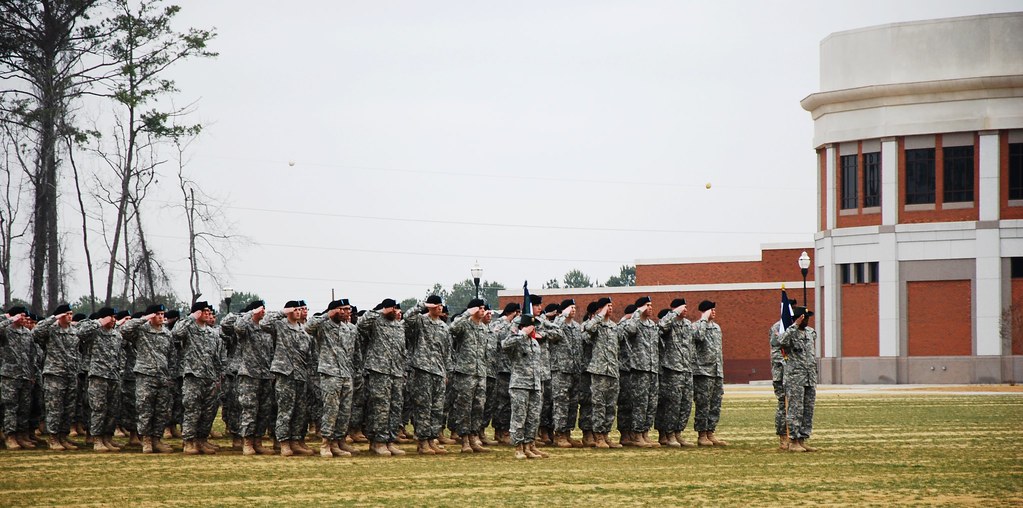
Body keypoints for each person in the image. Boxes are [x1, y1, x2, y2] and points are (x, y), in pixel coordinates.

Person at [305, 299, 359, 457]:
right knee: (331, 410)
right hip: (330, 374)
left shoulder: (349, 328)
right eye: (343, 309)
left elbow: (353, 352)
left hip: (346, 374)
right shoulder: (324, 326)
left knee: (344, 411)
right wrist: (327, 314)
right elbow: (308, 327)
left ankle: (339, 441)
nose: (347, 312)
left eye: (348, 309)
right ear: (335, 310)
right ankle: (326, 444)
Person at [120, 304, 175, 453]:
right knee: (145, 409)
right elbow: (124, 329)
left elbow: (171, 356)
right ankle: (146, 441)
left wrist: (170, 375)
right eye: (157, 314)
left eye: (162, 314)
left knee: (161, 410)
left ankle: (157, 439)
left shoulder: (167, 333)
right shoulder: (142, 330)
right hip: (145, 375)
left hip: (162, 376)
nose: (161, 317)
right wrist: (144, 318)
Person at [225, 300, 276, 456]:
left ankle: (258, 441)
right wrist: (250, 313)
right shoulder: (246, 327)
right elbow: (236, 326)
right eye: (261, 309)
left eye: (264, 309)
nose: (263, 312)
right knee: (249, 409)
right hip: (249, 374)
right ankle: (247, 442)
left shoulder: (266, 329)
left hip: (266, 374)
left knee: (264, 410)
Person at [402, 295, 451, 455]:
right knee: (423, 407)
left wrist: (446, 372)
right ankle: (422, 442)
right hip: (422, 370)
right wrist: (422, 305)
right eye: (436, 305)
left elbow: (446, 352)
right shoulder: (421, 321)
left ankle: (432, 440)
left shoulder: (444, 326)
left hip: (439, 371)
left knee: (437, 408)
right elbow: (407, 317)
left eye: (440, 305)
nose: (439, 307)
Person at [358, 298, 407, 456]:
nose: (395, 311)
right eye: (392, 308)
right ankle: (378, 442)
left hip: (396, 372)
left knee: (395, 407)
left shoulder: (399, 326)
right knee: (380, 408)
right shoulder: (376, 322)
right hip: (380, 371)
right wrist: (380, 311)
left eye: (396, 309)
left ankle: (390, 441)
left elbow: (402, 349)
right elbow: (361, 323)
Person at [264, 300, 314, 456]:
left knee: (300, 411)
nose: (298, 312)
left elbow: (309, 354)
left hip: (301, 374)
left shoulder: (303, 330)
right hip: (285, 373)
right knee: (285, 410)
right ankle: (283, 442)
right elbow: (264, 323)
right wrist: (282, 312)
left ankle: (295, 440)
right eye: (295, 309)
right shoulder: (280, 326)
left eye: (300, 309)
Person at [173, 301, 224, 455]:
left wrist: (218, 377)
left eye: (209, 311)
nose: (208, 314)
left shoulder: (212, 333)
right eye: (204, 311)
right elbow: (176, 333)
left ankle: (201, 440)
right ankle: (188, 442)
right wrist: (191, 317)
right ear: (197, 313)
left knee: (208, 411)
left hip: (209, 377)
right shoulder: (189, 329)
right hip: (193, 376)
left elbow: (216, 357)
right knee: (192, 410)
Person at [32, 303, 81, 451]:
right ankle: (53, 438)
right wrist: (54, 317)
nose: (70, 316)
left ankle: (63, 436)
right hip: (55, 374)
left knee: (68, 408)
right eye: (67, 314)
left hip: (71, 373)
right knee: (55, 408)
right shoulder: (51, 329)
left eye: (71, 314)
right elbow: (36, 331)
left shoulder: (74, 331)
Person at [77, 307, 126, 452]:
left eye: (114, 317)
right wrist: (99, 322)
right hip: (98, 376)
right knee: (98, 409)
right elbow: (80, 332)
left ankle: (107, 438)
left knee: (112, 409)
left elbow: (120, 354)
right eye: (111, 317)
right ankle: (97, 439)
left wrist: (120, 370)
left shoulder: (116, 334)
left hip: (114, 375)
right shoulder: (94, 332)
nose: (114, 320)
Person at [449, 298, 490, 453]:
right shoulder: (464, 324)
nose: (483, 310)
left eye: (483, 308)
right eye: (480, 308)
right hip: (465, 373)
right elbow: (452, 328)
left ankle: (474, 437)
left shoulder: (484, 328)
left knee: (478, 406)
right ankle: (464, 439)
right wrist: (467, 313)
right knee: (464, 407)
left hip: (481, 372)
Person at [502, 314, 547, 459]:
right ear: (524, 327)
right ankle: (518, 447)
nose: (534, 329)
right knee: (519, 417)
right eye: (531, 326)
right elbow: (505, 344)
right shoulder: (516, 339)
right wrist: (522, 333)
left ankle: (529, 445)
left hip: (535, 384)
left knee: (533, 417)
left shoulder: (534, 342)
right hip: (520, 384)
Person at [619, 297, 660, 448]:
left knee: (651, 403)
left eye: (651, 305)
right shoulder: (634, 323)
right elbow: (629, 330)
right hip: (639, 369)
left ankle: (644, 433)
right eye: (647, 305)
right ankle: (636, 435)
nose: (650, 307)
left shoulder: (652, 325)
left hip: (652, 368)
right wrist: (637, 313)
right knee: (640, 403)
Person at [657, 298, 697, 448]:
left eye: (686, 307)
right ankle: (669, 434)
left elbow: (692, 344)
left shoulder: (687, 324)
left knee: (685, 403)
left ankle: (678, 432)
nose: (685, 310)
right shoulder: (669, 322)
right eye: (682, 307)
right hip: (673, 369)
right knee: (673, 403)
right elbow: (661, 327)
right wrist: (673, 313)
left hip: (686, 369)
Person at [778, 306, 819, 453]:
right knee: (795, 409)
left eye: (807, 318)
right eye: (803, 318)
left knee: (808, 410)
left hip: (809, 377)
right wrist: (794, 325)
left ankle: (802, 439)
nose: (806, 320)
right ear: (797, 318)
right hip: (795, 377)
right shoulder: (790, 332)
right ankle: (793, 441)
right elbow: (781, 341)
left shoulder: (810, 332)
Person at [582, 297, 621, 449]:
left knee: (610, 405)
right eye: (607, 306)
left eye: (611, 306)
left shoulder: (613, 326)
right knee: (599, 404)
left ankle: (606, 434)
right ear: (600, 309)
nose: (610, 308)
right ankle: (598, 436)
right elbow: (588, 328)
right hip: (599, 370)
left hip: (613, 370)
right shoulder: (595, 325)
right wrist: (600, 315)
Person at [1, 306, 37, 450]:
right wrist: (9, 319)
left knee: (24, 408)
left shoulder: (27, 333)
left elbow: (32, 354)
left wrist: (32, 373)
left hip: (25, 375)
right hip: (10, 375)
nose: (24, 319)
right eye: (21, 316)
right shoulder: (6, 330)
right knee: (11, 407)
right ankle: (10, 436)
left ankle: (21, 436)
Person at [692, 300, 727, 447]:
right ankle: (701, 435)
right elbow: (698, 337)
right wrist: (704, 319)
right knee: (703, 404)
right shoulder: (696, 326)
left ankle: (710, 432)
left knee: (715, 404)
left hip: (716, 371)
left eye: (714, 309)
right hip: (703, 371)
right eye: (711, 310)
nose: (714, 312)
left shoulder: (717, 328)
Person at [551, 299, 584, 448]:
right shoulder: (558, 324)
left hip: (575, 369)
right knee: (561, 402)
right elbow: (554, 333)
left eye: (574, 307)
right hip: (561, 369)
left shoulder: (576, 327)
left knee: (573, 403)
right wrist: (561, 316)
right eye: (571, 307)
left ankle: (568, 433)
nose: (573, 310)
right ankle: (559, 434)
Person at [489, 302, 520, 444]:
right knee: (501, 401)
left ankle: (505, 430)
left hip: (512, 368)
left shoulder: (515, 326)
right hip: (502, 368)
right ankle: (500, 431)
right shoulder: (499, 325)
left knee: (509, 402)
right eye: (517, 312)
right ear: (512, 312)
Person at [768, 300, 794, 450]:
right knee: (782, 404)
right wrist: (787, 363)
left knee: (794, 404)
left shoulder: (794, 328)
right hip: (781, 373)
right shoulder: (777, 327)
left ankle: (794, 436)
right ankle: (783, 436)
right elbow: (776, 351)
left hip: (794, 373)